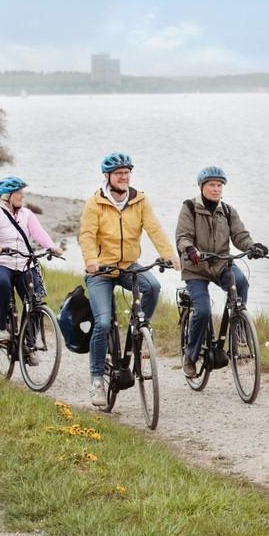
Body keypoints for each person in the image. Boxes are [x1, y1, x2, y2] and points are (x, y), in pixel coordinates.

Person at [79, 152, 179, 405]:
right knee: (102, 323)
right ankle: (97, 381)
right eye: (118, 174)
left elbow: (154, 228)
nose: (124, 177)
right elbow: (87, 235)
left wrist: (169, 255)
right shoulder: (95, 203)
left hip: (127, 265)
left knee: (153, 286)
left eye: (127, 173)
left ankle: (139, 328)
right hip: (100, 270)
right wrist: (91, 261)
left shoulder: (140, 200)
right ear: (108, 177)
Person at [175, 166, 268, 378]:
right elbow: (183, 236)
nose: (216, 189)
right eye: (212, 185)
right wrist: (190, 250)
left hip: (220, 263)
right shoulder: (189, 208)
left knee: (241, 282)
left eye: (219, 185)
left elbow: (240, 235)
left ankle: (237, 327)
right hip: (196, 267)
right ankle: (190, 356)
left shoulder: (227, 210)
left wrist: (253, 247)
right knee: (204, 310)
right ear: (202, 187)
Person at [0, 176, 63, 366]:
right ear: (6, 196)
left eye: (22, 193)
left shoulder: (27, 214)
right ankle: (2, 327)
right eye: (18, 193)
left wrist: (51, 246)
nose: (21, 196)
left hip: (25, 263)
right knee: (2, 283)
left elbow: (38, 233)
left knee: (35, 299)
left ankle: (29, 344)